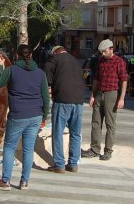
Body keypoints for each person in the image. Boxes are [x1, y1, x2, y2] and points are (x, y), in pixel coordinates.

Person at [0, 44, 50, 191]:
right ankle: (24, 182)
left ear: (16, 56)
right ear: (31, 56)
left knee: (9, 147)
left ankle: (5, 181)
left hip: (18, 115)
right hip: (35, 115)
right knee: (28, 149)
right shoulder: (40, 73)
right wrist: (44, 117)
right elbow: (46, 98)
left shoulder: (12, 70)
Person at [81, 39, 128, 161]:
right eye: (101, 52)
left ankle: (108, 151)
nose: (103, 54)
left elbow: (124, 80)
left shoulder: (119, 62)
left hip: (111, 94)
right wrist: (92, 95)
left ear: (111, 49)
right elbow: (96, 79)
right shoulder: (100, 61)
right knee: (95, 123)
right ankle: (95, 149)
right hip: (99, 94)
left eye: (105, 51)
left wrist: (121, 98)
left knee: (110, 124)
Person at [44, 45, 85, 173]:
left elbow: (46, 77)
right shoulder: (75, 61)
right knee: (76, 133)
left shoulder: (54, 59)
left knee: (58, 132)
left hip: (62, 100)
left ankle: (59, 164)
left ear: (55, 52)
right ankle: (73, 164)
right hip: (78, 101)